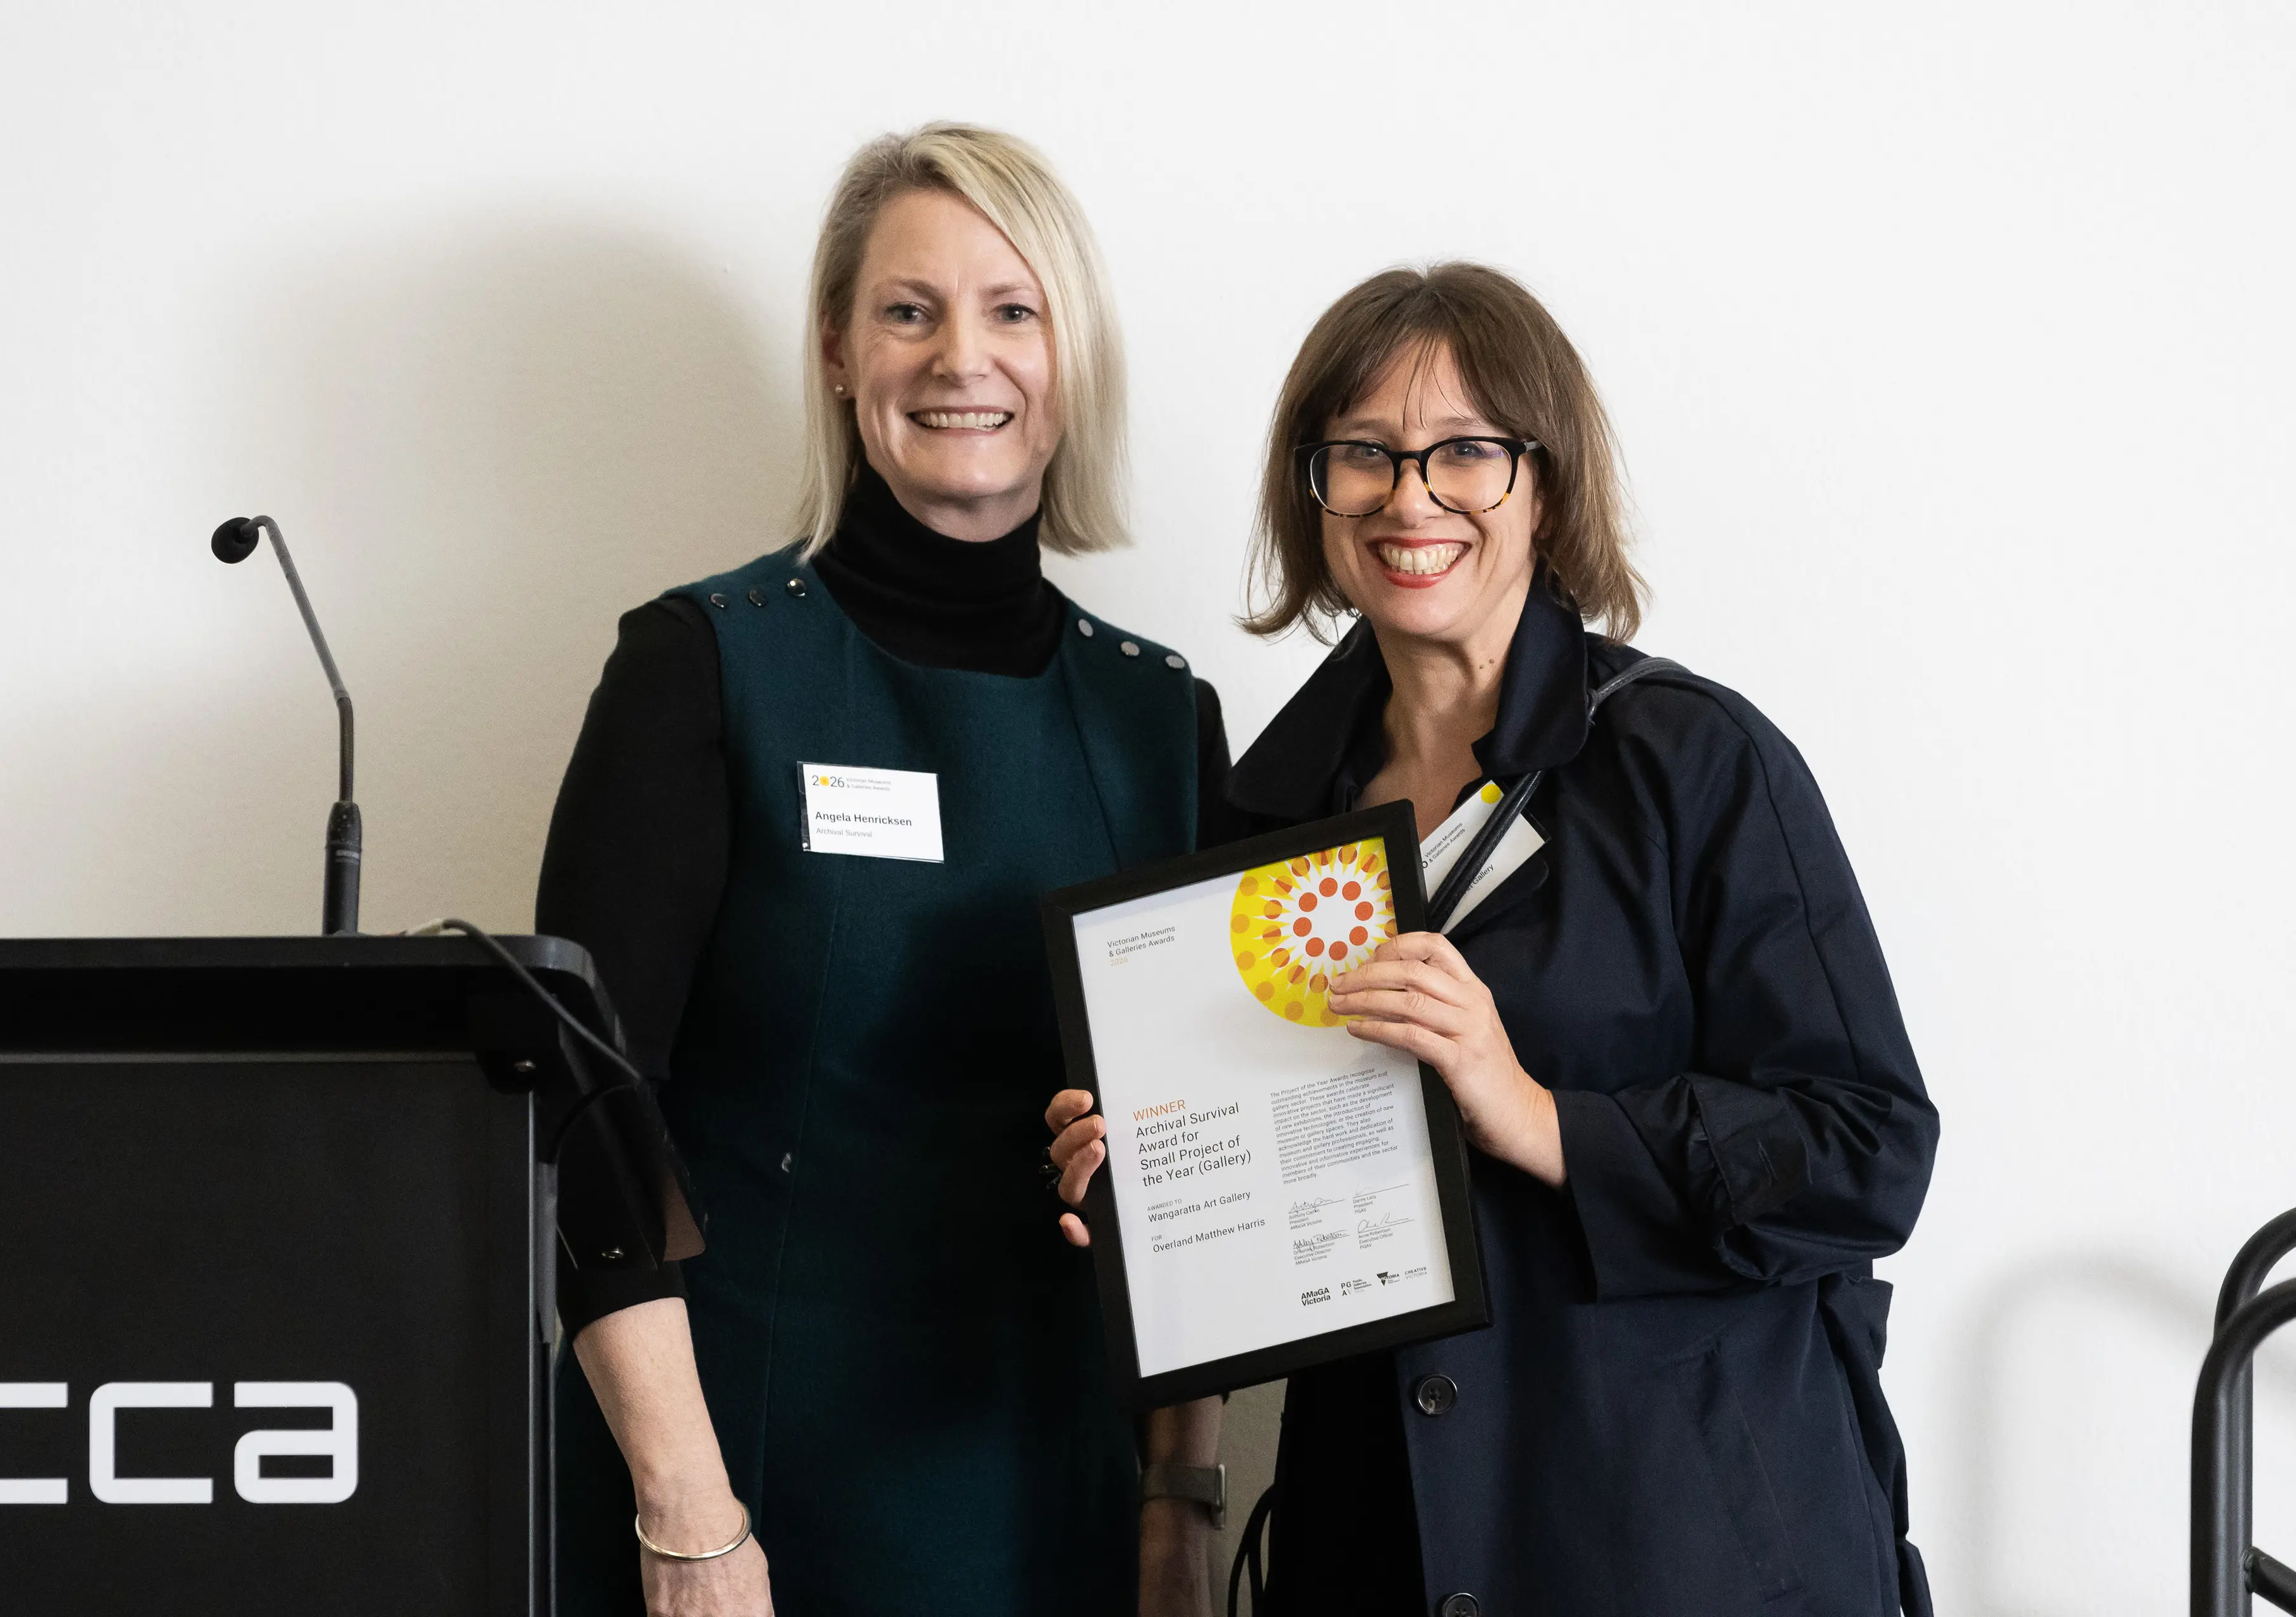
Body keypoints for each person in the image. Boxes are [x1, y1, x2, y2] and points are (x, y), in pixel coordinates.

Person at [1048, 263, 1938, 1616]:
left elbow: (1871, 1148)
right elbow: (1258, 1240)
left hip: (1672, 1547)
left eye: (1466, 450)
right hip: (1376, 1544)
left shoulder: (1694, 766)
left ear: (1547, 483)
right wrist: (1151, 1186)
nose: (1412, 496)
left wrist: (1537, 1115)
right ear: (1316, 492)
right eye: (1365, 454)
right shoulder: (1260, 814)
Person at [536, 124, 1232, 1617]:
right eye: (908, 310)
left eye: (1012, 309)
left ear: (1074, 357)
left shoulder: (1164, 720)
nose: (958, 357)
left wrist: (1180, 1496)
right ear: (841, 353)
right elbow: (587, 1125)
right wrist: (687, 1512)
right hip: (738, 1498)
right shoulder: (702, 665)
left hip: (1048, 1499)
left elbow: (1207, 1164)